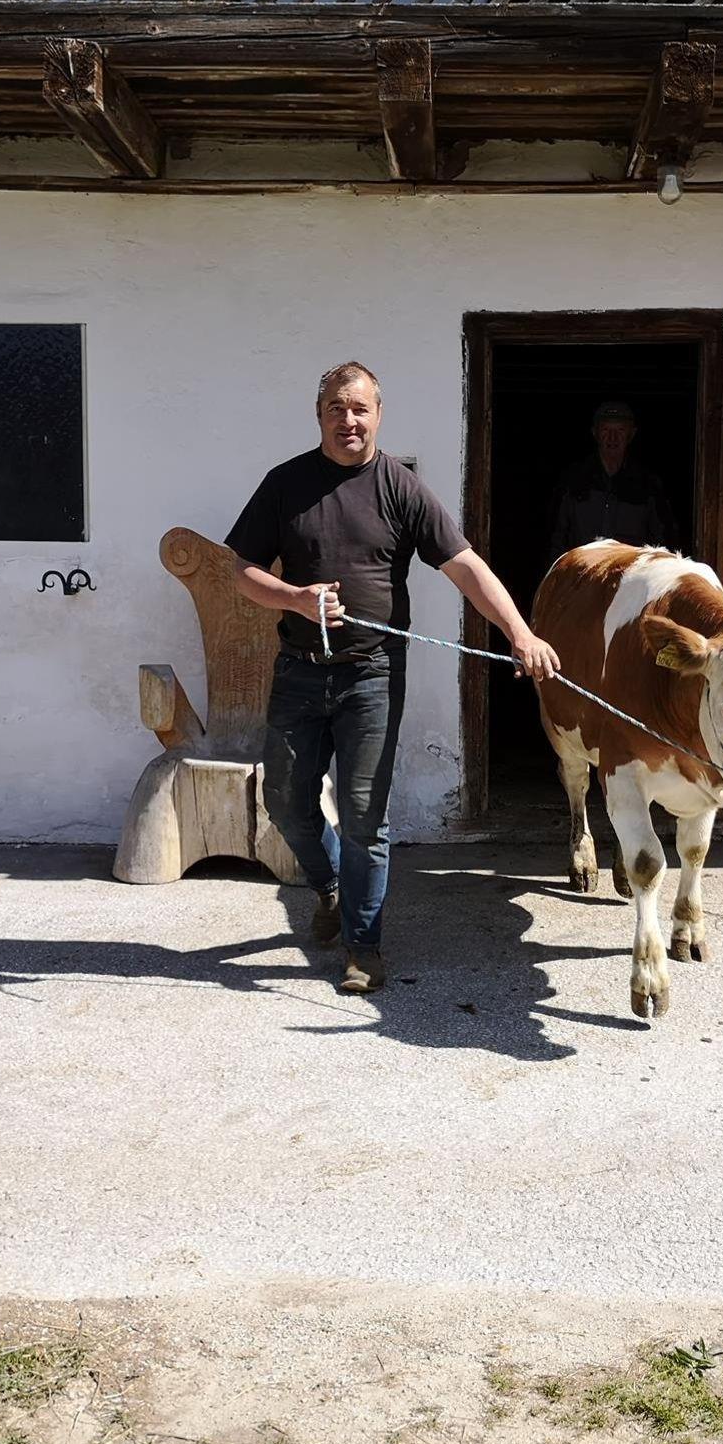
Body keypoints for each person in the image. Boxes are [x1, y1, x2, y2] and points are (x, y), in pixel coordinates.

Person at [226, 361, 560, 995]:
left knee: (363, 816)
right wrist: (295, 599)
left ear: (378, 415)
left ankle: (363, 947)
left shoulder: (399, 488)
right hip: (299, 672)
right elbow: (240, 570)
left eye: (360, 408)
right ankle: (328, 885)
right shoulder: (285, 483)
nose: (348, 420)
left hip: (372, 676)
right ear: (318, 414)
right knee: (284, 802)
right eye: (336, 408)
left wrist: (520, 634)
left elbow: (465, 566)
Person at [548, 399, 673, 559]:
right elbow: (556, 538)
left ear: (631, 434)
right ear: (595, 433)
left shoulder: (648, 485)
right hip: (582, 570)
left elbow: (662, 543)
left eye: (620, 430)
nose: (612, 437)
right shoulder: (573, 480)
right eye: (606, 429)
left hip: (629, 572)